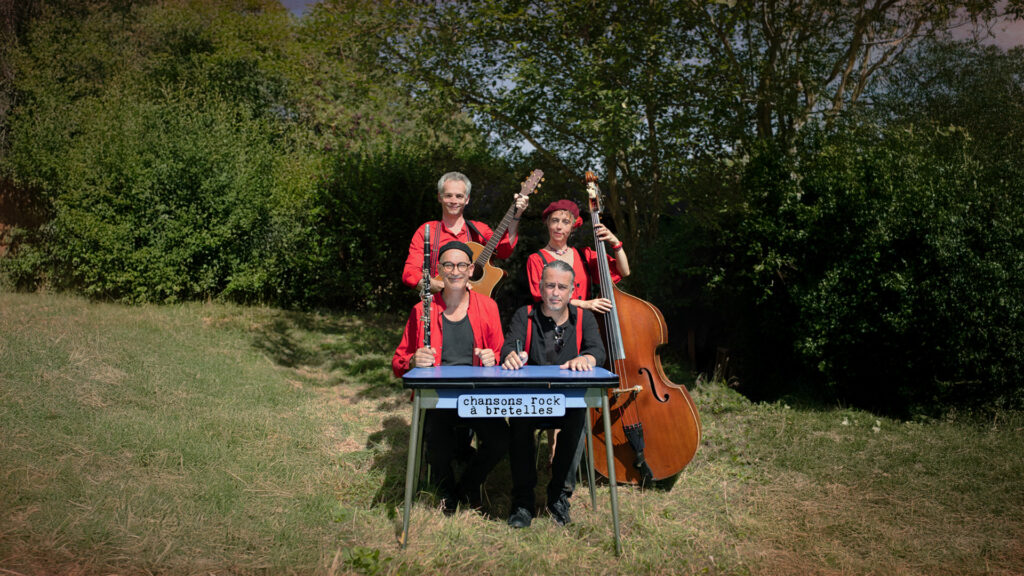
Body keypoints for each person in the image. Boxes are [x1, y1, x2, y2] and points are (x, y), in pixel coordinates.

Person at [392, 241, 509, 513]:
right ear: (439, 271)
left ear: (471, 270)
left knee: (500, 439)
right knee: (436, 444)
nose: (454, 271)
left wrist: (495, 359)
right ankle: (445, 488)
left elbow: (501, 353)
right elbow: (399, 360)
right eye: (448, 265)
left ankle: (468, 485)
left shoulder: (488, 307)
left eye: (461, 265)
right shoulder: (422, 310)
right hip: (439, 396)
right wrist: (412, 360)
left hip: (478, 395)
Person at [499, 259, 607, 528]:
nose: (555, 292)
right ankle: (523, 501)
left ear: (572, 292)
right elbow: (507, 348)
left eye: (562, 287)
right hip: (529, 399)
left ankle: (559, 495)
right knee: (519, 423)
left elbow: (598, 352)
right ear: (540, 287)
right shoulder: (524, 315)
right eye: (550, 285)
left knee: (578, 421)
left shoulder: (584, 318)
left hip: (566, 401)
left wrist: (588, 359)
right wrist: (510, 356)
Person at [402, 171, 530, 292]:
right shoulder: (426, 231)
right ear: (439, 198)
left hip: (474, 304)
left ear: (467, 199)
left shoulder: (480, 230)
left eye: (459, 196)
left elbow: (504, 250)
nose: (454, 201)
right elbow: (410, 272)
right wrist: (437, 286)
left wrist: (516, 216)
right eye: (448, 195)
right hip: (438, 304)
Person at [526, 199, 630, 313]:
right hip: (554, 324)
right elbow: (542, 297)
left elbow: (623, 271)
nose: (559, 226)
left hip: (584, 323)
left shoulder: (585, 255)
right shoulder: (536, 259)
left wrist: (616, 244)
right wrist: (584, 304)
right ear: (548, 223)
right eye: (555, 220)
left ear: (573, 227)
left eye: (566, 222)